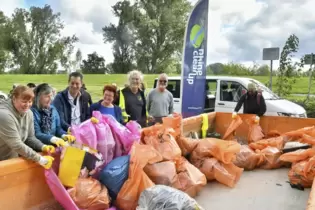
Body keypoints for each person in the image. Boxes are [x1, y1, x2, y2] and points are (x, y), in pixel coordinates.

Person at [0, 85, 55, 169]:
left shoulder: (29, 113)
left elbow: (30, 137)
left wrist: (42, 146)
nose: (27, 105)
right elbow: (16, 144)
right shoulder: (4, 115)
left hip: (9, 159)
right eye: (24, 101)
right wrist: (40, 159)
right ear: (14, 99)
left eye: (30, 101)